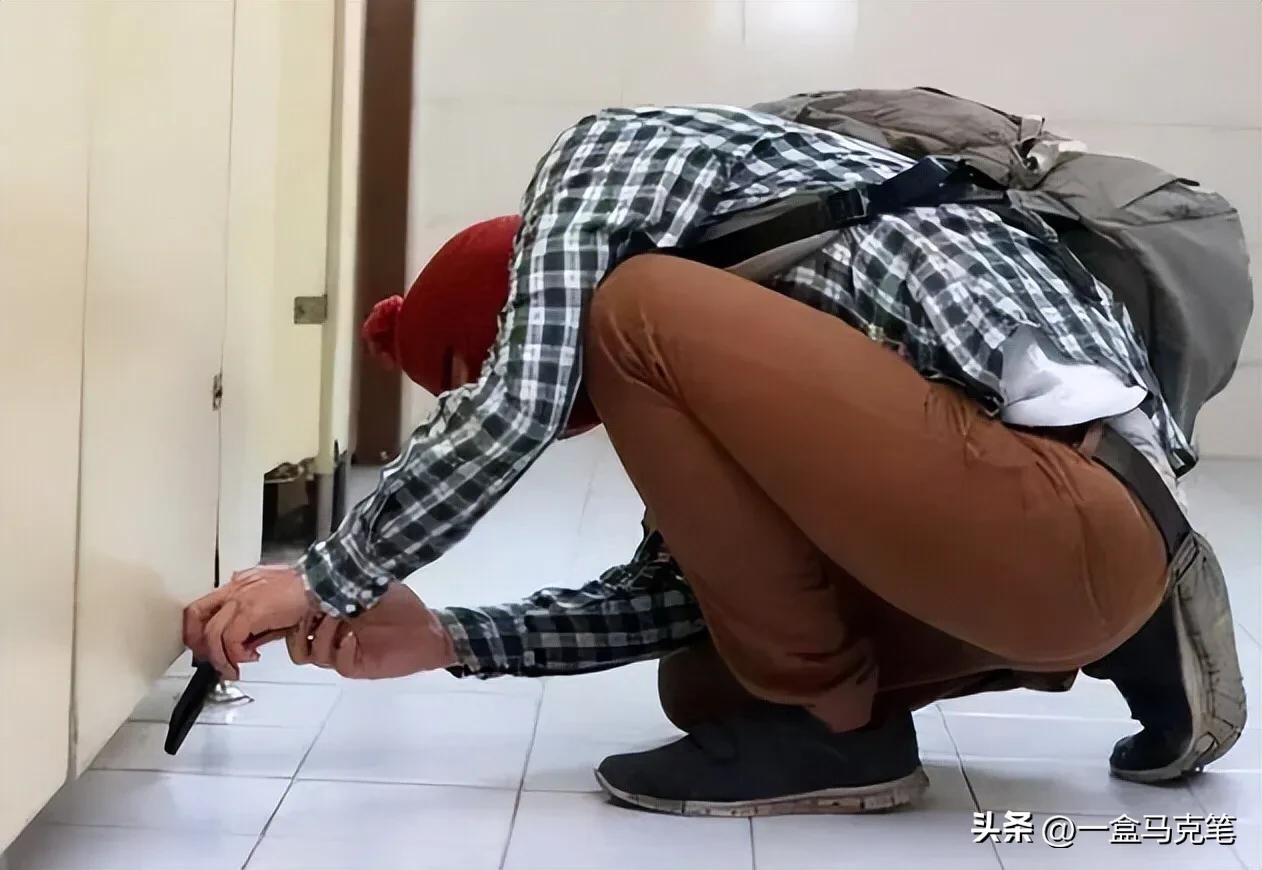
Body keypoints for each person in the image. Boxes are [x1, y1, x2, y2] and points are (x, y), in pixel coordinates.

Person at [184, 104, 1244, 817]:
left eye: (488, 356)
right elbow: (678, 596)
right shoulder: (755, 337)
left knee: (635, 310)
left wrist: (324, 576)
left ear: (515, 295)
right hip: (1037, 560)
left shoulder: (608, 166)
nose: (565, 415)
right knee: (709, 677)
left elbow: (517, 403)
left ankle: (839, 731)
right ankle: (1128, 631)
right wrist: (449, 639)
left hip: (1070, 507)